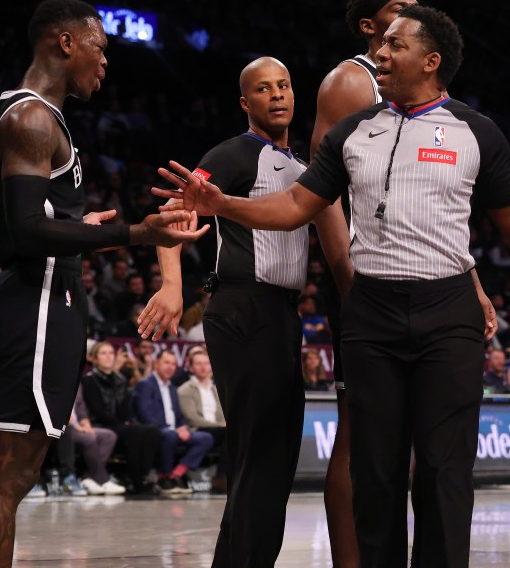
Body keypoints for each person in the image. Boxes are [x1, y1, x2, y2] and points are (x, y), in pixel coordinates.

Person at [154, 4, 510, 567]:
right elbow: (297, 206)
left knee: (443, 472)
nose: (381, 54)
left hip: (448, 314)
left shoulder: (476, 131)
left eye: (395, 45)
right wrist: (227, 205)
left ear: (431, 61)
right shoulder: (351, 130)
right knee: (375, 473)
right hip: (371, 315)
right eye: (381, 44)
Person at [0, 0, 206, 567]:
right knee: (9, 478)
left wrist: (66, 224)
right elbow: (22, 229)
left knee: (4, 477)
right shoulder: (34, 118)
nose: (105, 62)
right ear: (65, 42)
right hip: (40, 297)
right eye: (100, 47)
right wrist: (134, 233)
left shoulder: (2, 112)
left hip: (28, 291)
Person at [311, 0, 495, 567]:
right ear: (371, 28)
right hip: (366, 282)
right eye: (396, 12)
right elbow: (321, 199)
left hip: (424, 283)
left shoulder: (445, 115)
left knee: (419, 458)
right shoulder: (350, 81)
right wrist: (349, 283)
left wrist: (472, 285)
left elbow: (432, 209)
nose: (409, 16)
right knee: (366, 452)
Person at [139, 56, 352, 567]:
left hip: (279, 314)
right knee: (260, 456)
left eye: (284, 85)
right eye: (263, 88)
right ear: (245, 102)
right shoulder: (235, 154)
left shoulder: (304, 170)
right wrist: (172, 286)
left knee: (272, 460)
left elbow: (339, 251)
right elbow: (170, 214)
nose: (277, 94)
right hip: (242, 306)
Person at [80, 341, 162, 494]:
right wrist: (124, 423)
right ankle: (135, 479)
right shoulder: (89, 380)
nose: (108, 357)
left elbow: (125, 408)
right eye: (103, 353)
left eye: (111, 353)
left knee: (152, 431)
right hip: (100, 423)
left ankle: (143, 474)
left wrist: (125, 422)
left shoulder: (120, 379)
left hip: (120, 424)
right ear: (94, 359)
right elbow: (98, 412)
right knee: (134, 432)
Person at [132, 349, 215, 495]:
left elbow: (178, 415)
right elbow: (145, 415)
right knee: (169, 435)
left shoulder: (172, 387)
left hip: (174, 430)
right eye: (166, 363)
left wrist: (182, 427)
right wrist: (174, 430)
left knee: (206, 438)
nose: (170, 367)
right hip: (155, 430)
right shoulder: (145, 385)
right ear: (156, 364)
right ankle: (164, 477)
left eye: (173, 364)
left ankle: (177, 474)